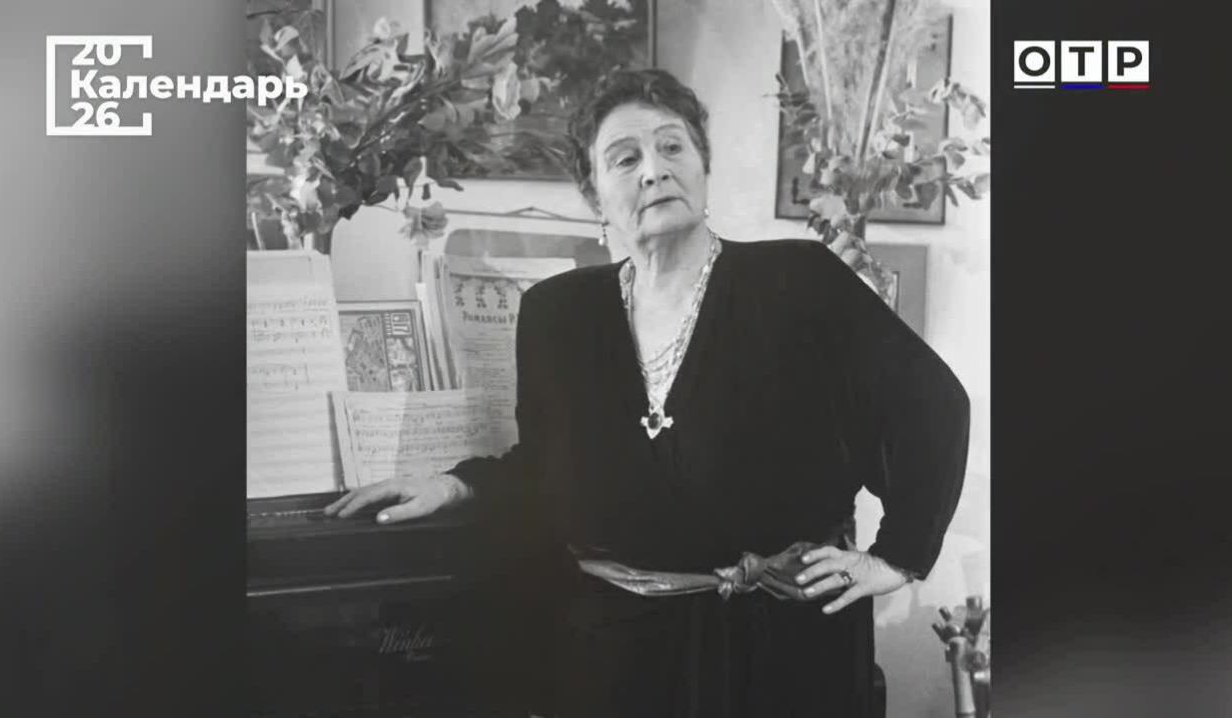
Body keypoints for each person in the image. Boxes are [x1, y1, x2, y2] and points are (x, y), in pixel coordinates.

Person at [325, 68, 970, 717]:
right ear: (593, 192)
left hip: (786, 660)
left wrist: (897, 557)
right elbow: (546, 467)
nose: (654, 170)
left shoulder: (798, 281)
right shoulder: (557, 314)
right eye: (624, 158)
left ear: (702, 166)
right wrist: (455, 485)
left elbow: (932, 406)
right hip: (620, 662)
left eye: (671, 147)